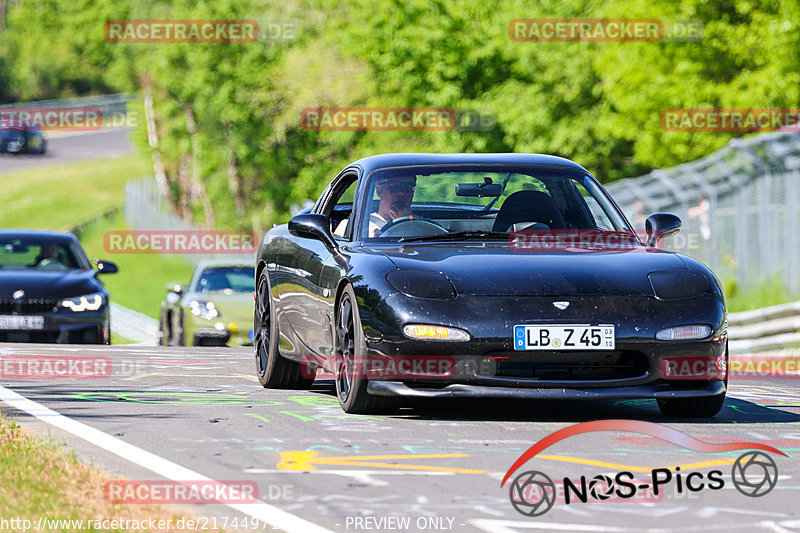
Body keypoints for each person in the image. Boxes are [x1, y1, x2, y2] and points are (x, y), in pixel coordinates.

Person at [334, 175, 417, 238]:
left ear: (412, 193)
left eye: (407, 187)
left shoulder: (426, 224)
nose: (401, 193)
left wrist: (409, 222)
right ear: (379, 191)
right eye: (395, 186)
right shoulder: (354, 226)